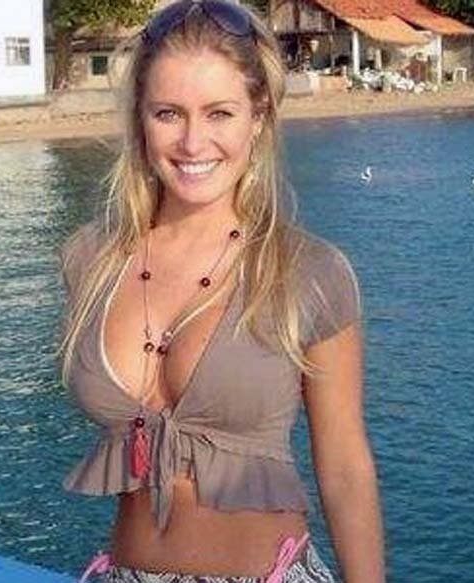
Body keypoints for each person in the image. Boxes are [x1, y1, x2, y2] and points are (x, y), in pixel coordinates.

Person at [57, 1, 384, 581]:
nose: (192, 141)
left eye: (219, 113)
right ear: (140, 118)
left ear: (258, 117)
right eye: (168, 113)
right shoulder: (91, 260)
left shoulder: (307, 273)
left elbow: (344, 470)